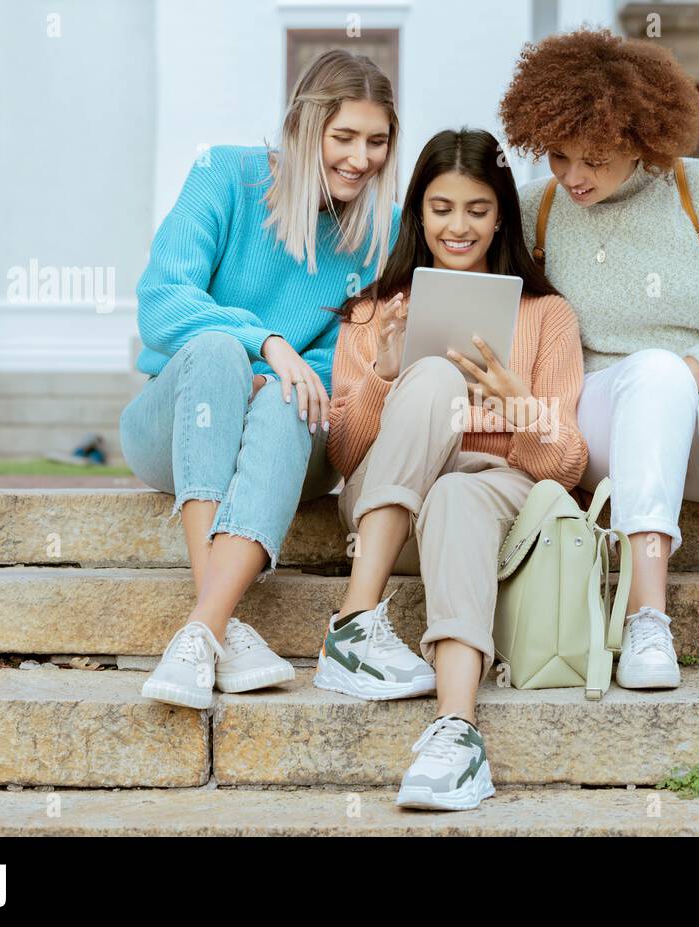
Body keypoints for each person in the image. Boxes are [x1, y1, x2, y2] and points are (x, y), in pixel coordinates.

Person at [500, 28, 699, 696]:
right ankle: (646, 620)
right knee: (657, 373)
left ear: (639, 142)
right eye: (558, 155)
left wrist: (697, 371)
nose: (572, 175)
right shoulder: (536, 209)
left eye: (594, 159)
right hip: (603, 417)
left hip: (698, 428)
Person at [121, 49, 400, 710]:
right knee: (218, 350)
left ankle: (203, 631)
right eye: (345, 137)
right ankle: (217, 622)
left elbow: (343, 366)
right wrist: (267, 343)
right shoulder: (224, 175)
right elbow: (163, 300)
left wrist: (286, 373)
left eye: (378, 141)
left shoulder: (380, 232)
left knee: (288, 394)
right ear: (304, 129)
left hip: (292, 435)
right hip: (179, 417)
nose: (362, 158)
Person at [322, 128, 588, 810]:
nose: (458, 226)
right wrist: (384, 372)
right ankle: (355, 623)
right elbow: (343, 456)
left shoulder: (548, 315)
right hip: (386, 500)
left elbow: (567, 462)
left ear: (501, 214)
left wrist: (519, 405)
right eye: (441, 208)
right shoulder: (373, 311)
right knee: (434, 374)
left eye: (476, 208)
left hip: (488, 491)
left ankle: (457, 732)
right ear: (419, 213)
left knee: (459, 494)